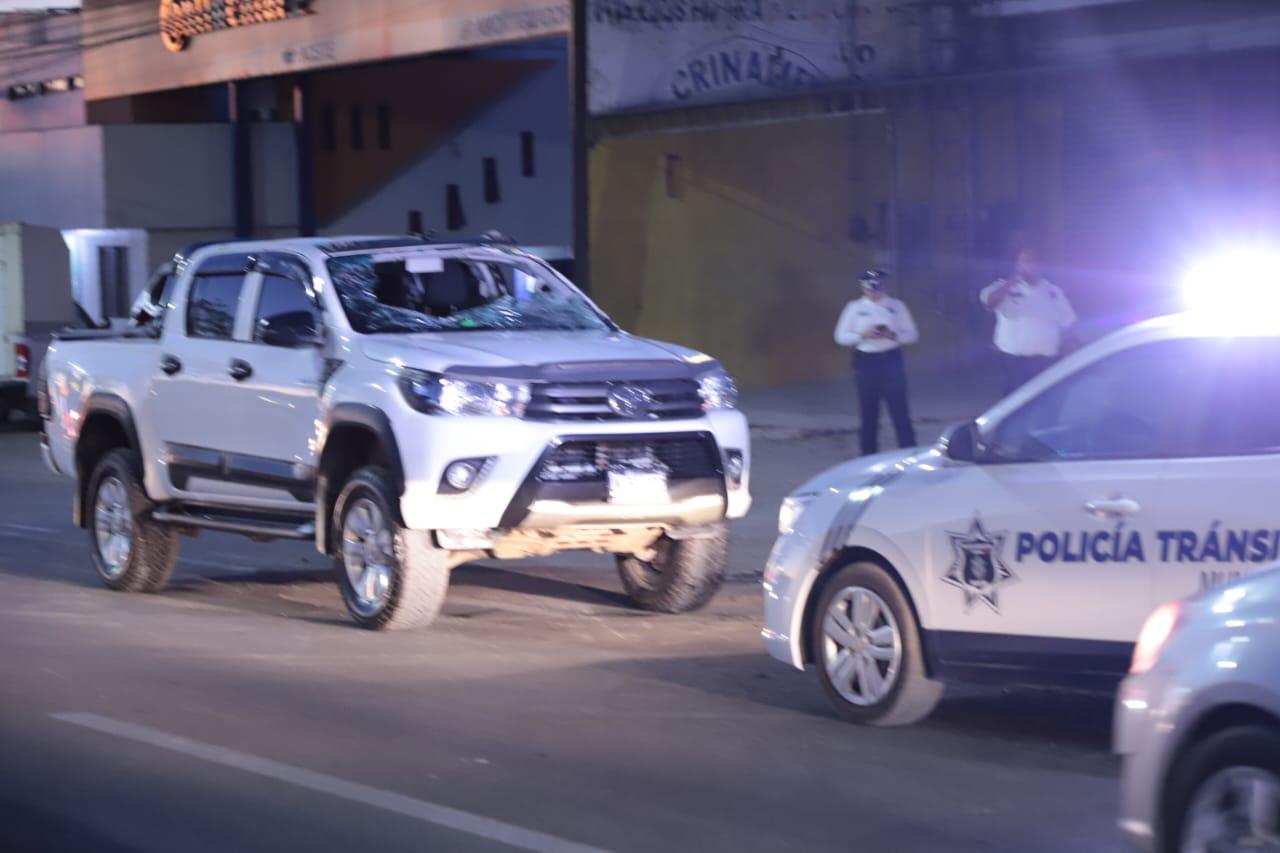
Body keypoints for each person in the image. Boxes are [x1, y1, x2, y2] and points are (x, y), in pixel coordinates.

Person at [834, 270, 919, 456]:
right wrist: (862, 335)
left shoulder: (896, 306)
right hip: (866, 362)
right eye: (870, 289)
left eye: (877, 288)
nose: (874, 293)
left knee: (900, 412)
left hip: (891, 360)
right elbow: (840, 336)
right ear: (863, 288)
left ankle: (910, 455)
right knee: (868, 413)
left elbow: (912, 335)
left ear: (883, 287)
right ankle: (867, 456)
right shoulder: (854, 308)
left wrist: (893, 335)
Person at [980, 248, 1076, 394]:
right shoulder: (1003, 287)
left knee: (1045, 403)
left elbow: (1068, 323)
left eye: (1033, 261)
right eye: (1024, 261)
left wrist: (1068, 356)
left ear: (1041, 265)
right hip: (1013, 365)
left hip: (1045, 364)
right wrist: (1012, 281)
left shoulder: (1054, 292)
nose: (1029, 266)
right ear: (1017, 265)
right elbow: (990, 303)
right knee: (1015, 405)